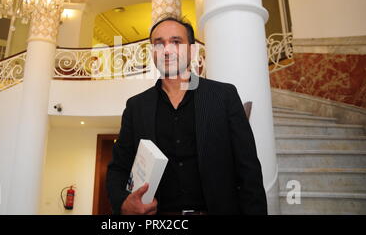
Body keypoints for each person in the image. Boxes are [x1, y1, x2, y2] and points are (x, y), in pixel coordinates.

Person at [106, 16, 267, 215]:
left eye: (176, 42)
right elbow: (118, 168)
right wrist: (123, 203)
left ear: (191, 50)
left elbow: (248, 170)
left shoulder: (224, 96)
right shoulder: (136, 107)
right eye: (159, 43)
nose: (167, 50)